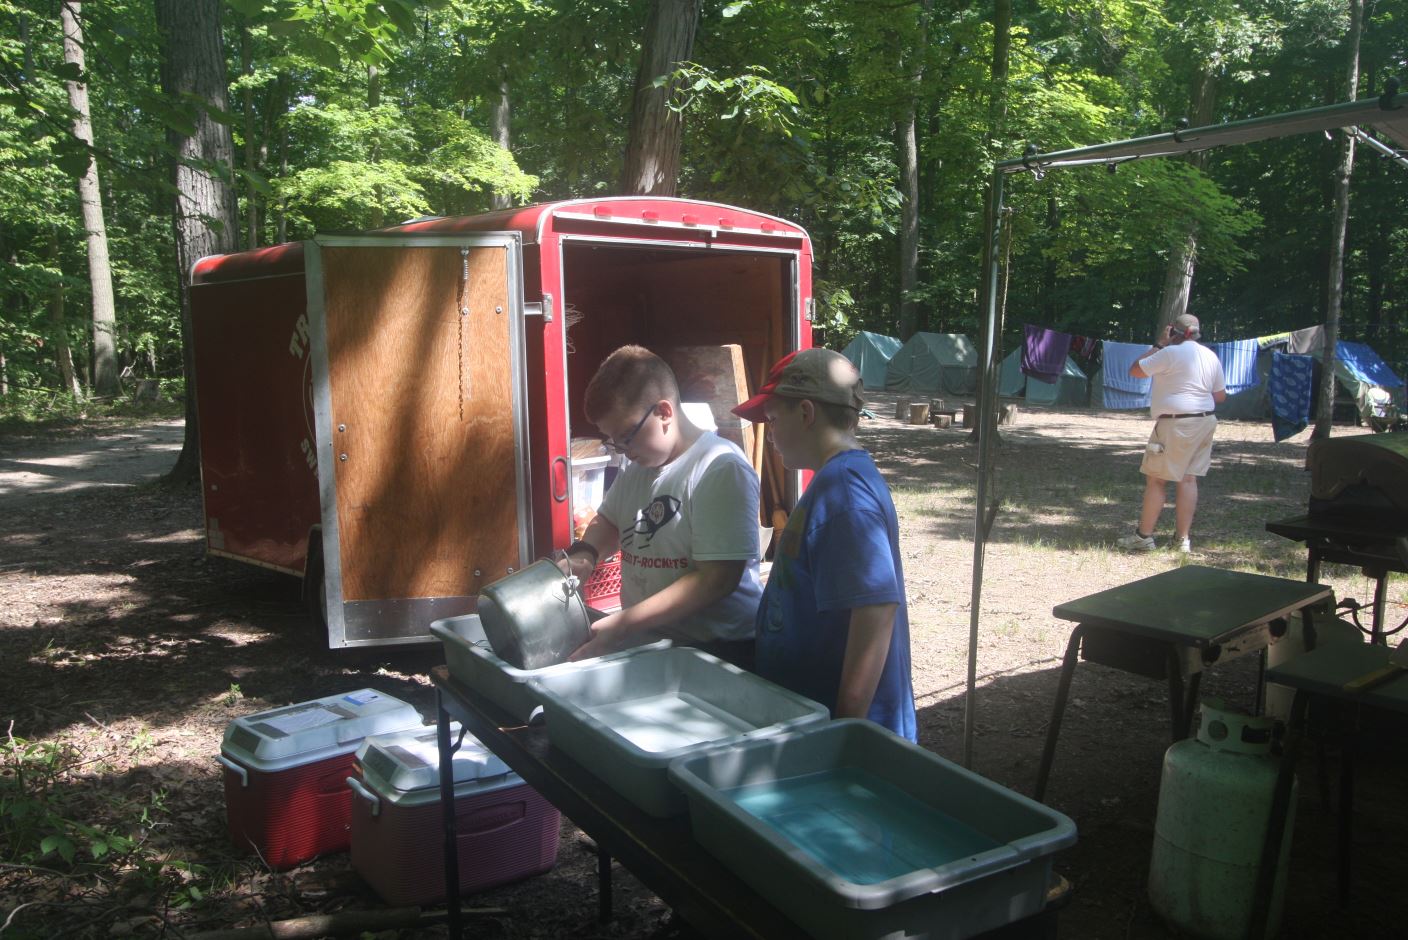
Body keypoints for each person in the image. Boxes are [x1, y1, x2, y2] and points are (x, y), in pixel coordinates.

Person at [732, 348, 917, 741]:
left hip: (849, 735)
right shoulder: (833, 481)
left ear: (805, 412)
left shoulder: (845, 493)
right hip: (814, 718)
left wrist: (845, 732)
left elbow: (875, 611)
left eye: (773, 419)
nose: (770, 433)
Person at [560, 345, 762, 667]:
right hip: (656, 641)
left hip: (719, 651)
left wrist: (626, 622)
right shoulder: (638, 466)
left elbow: (717, 579)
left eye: (627, 436)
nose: (622, 450)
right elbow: (609, 520)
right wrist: (586, 554)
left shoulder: (719, 468)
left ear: (664, 413)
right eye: (613, 441)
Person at [1117, 313, 1227, 554]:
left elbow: (1135, 370)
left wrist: (1159, 344)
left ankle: (1143, 536)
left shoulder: (1169, 353)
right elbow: (1220, 396)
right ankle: (1182, 540)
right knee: (1188, 479)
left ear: (1173, 332)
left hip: (1176, 423)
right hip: (1205, 421)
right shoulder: (1210, 356)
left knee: (1157, 479)